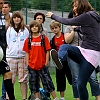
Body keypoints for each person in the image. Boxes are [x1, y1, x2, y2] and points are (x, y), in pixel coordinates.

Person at [46, 0, 100, 100]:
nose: (74, 9)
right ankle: (59, 60)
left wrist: (53, 16)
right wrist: (79, 29)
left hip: (92, 54)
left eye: (76, 6)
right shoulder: (91, 17)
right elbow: (91, 30)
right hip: (83, 50)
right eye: (73, 7)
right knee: (64, 46)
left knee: (81, 84)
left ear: (82, 5)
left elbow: (67, 21)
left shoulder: (88, 15)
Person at [64, 11, 100, 100]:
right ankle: (78, 98)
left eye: (77, 16)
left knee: (93, 78)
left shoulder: (89, 25)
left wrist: (81, 28)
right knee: (77, 79)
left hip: (88, 54)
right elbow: (67, 41)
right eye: (74, 17)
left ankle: (98, 97)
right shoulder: (68, 28)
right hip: (74, 54)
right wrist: (73, 30)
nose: (76, 18)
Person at [23, 20, 59, 100]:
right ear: (30, 28)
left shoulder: (43, 38)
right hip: (32, 66)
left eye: (36, 26)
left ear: (39, 28)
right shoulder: (28, 40)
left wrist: (46, 62)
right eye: (32, 26)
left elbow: (47, 51)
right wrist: (28, 64)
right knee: (34, 83)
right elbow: (27, 52)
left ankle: (55, 97)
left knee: (48, 82)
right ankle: (37, 98)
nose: (34, 28)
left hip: (42, 65)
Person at [6, 11, 29, 100]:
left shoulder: (26, 29)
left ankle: (24, 98)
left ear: (21, 18)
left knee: (23, 79)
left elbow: (27, 43)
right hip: (11, 56)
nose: (16, 19)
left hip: (23, 57)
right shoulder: (9, 29)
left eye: (18, 17)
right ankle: (9, 98)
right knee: (10, 79)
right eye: (15, 17)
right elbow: (7, 41)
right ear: (12, 19)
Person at [50, 20, 72, 100]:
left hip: (68, 61)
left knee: (72, 79)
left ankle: (77, 95)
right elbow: (52, 52)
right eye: (52, 28)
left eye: (56, 27)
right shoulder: (52, 40)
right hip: (59, 63)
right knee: (60, 80)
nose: (54, 30)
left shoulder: (65, 36)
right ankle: (62, 97)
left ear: (60, 27)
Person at [0, 11, 15, 100]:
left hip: (1, 54)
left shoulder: (4, 17)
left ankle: (11, 98)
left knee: (8, 74)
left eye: (2, 3)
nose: (1, 6)